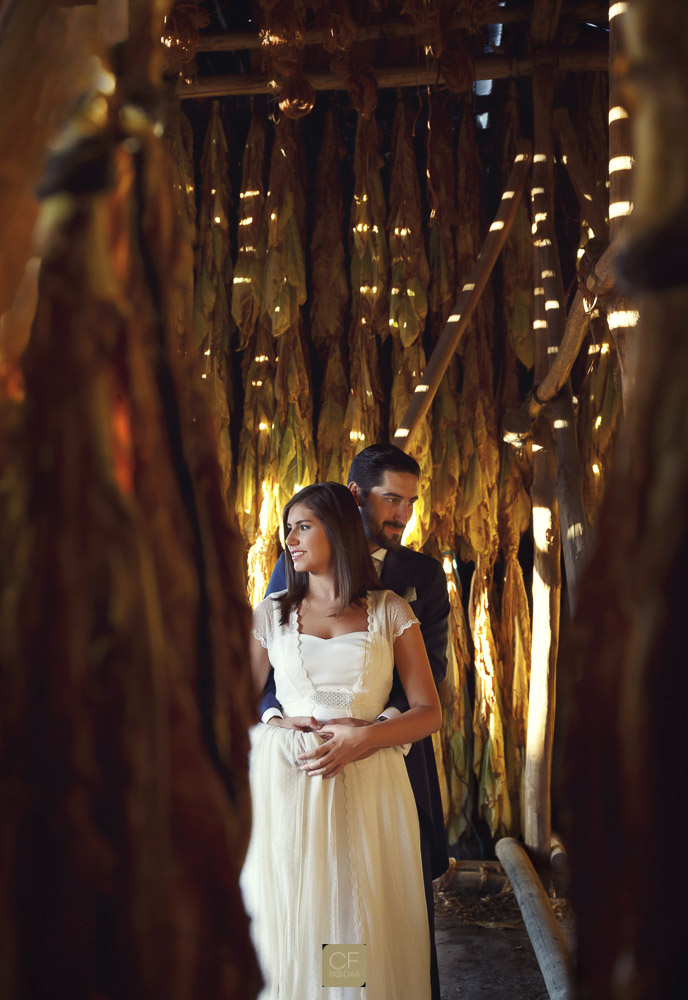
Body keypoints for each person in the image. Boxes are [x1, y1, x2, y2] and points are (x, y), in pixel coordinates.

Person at [261, 445, 450, 1000]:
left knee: (383, 910)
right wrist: (279, 721)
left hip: (386, 761)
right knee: (306, 908)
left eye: (410, 502)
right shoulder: (292, 570)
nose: (403, 514)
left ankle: (371, 991)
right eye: (392, 498)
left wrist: (368, 733)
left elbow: (429, 679)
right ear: (354, 496)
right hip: (299, 773)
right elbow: (272, 668)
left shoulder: (413, 584)